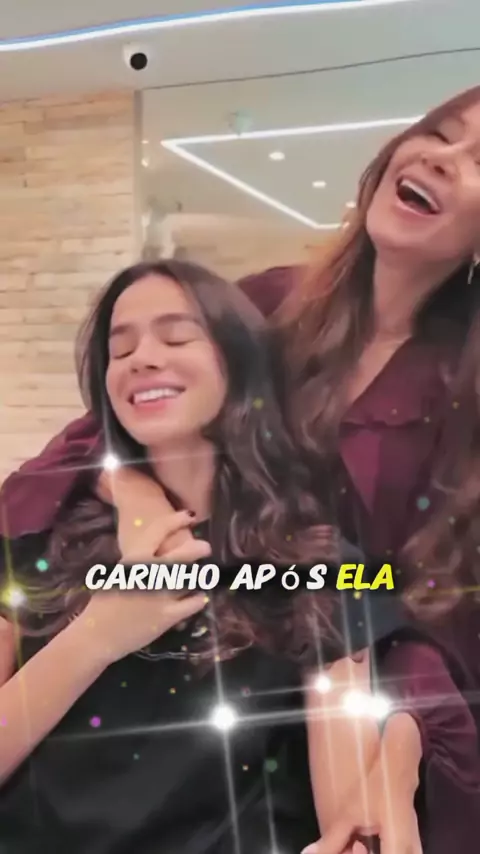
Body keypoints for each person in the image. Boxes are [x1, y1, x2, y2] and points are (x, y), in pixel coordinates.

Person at [3, 82, 480, 850]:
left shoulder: (456, 406)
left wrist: (395, 752)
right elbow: (92, 443)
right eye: (440, 131)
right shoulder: (271, 303)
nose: (441, 158)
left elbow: (416, 609)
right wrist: (133, 502)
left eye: (479, 159)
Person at [0, 260, 424, 854]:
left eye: (177, 337)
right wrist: (97, 635)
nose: (144, 359)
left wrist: (389, 778)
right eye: (121, 351)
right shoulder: (40, 539)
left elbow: (348, 804)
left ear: (238, 363)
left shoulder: (321, 566)